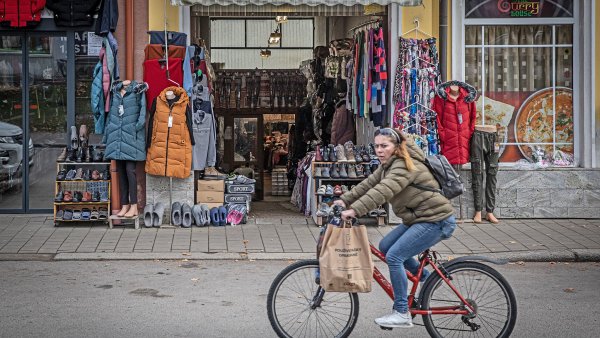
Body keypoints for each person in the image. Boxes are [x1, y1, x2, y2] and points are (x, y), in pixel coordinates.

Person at [334, 127, 457, 328]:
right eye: (377, 146)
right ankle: (428, 278)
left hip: (436, 220)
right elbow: (368, 184)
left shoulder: (404, 165)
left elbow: (384, 190)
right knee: (385, 246)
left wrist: (355, 210)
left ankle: (401, 312)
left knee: (395, 257)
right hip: (419, 218)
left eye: (385, 146)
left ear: (396, 146)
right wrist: (344, 201)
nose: (379, 150)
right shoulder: (388, 165)